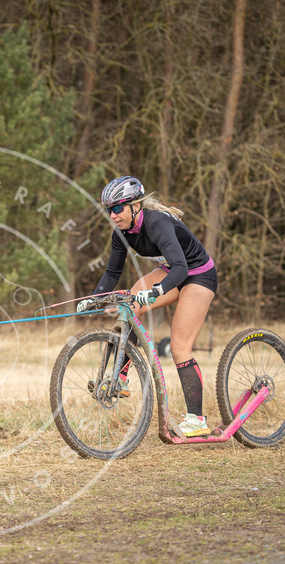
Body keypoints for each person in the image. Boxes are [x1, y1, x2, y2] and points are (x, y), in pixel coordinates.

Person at [77, 175, 217, 437]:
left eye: (118, 208)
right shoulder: (121, 232)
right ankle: (119, 377)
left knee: (179, 346)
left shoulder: (159, 225)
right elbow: (111, 272)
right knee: (131, 302)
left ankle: (197, 420)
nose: (113, 215)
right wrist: (94, 299)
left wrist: (157, 291)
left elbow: (182, 268)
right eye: (109, 210)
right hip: (172, 271)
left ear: (136, 206)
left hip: (198, 275)